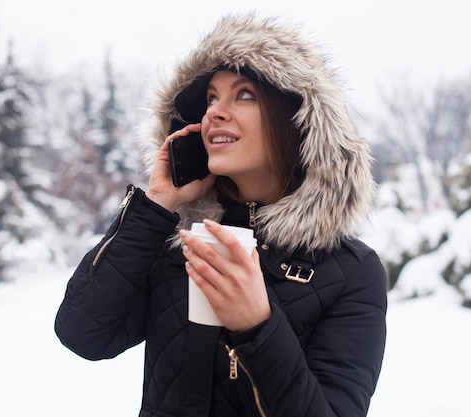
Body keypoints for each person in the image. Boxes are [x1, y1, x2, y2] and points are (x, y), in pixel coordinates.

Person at [55, 12, 387, 417]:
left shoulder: (350, 271)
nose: (215, 111)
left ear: (297, 119)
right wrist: (156, 204)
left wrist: (257, 326)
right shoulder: (177, 242)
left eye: (243, 94)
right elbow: (84, 333)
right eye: (211, 97)